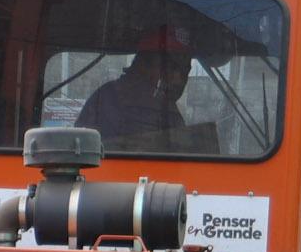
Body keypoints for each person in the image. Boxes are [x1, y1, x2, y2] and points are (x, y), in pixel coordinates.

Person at [75, 25, 216, 155]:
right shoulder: (107, 102)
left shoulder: (168, 111)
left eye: (185, 71)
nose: (179, 79)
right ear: (143, 64)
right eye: (171, 67)